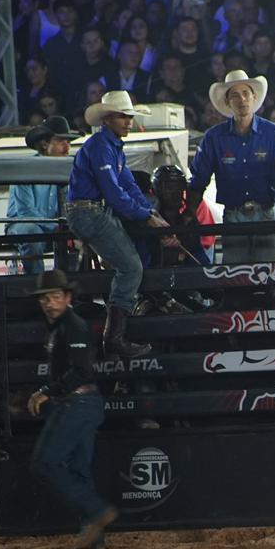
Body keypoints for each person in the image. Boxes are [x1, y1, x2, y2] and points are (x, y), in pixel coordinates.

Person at [67, 90, 169, 358]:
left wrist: (151, 213)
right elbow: (114, 192)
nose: (128, 122)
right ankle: (113, 337)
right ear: (107, 120)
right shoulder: (102, 147)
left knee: (128, 264)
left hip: (92, 211)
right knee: (131, 267)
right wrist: (147, 216)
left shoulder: (110, 147)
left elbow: (129, 187)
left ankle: (114, 332)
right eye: (123, 117)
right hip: (89, 212)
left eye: (129, 117)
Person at [26, 269, 117, 549]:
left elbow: (82, 371)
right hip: (83, 403)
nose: (49, 303)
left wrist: (46, 391)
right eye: (45, 298)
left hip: (77, 402)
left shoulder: (72, 326)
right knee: (79, 469)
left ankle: (97, 511)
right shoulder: (64, 326)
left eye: (55, 297)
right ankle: (94, 537)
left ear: (67, 298)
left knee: (45, 463)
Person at [188, 70, 275, 263]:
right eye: (235, 95)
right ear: (228, 102)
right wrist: (189, 213)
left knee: (268, 274)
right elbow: (198, 179)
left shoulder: (273, 133)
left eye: (245, 93)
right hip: (233, 215)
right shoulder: (213, 137)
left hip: (266, 215)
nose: (242, 99)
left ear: (254, 97)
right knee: (237, 275)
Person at [8, 116, 81, 275]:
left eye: (68, 142)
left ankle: (68, 281)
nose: (67, 146)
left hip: (54, 227)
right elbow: (26, 213)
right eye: (61, 141)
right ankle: (37, 282)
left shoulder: (70, 169)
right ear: (44, 144)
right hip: (22, 224)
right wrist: (57, 227)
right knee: (32, 231)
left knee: (77, 231)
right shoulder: (25, 169)